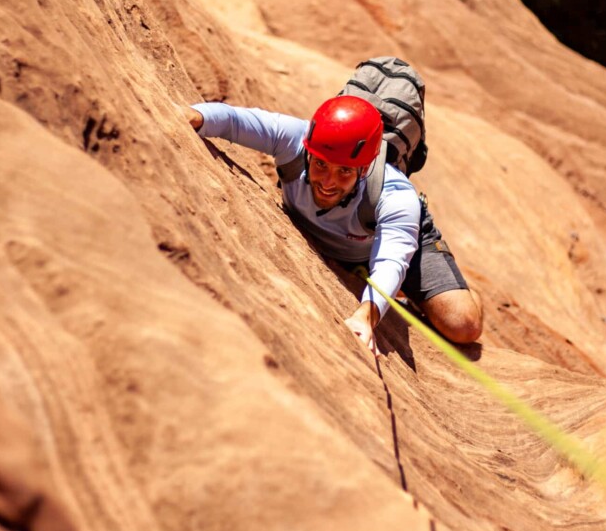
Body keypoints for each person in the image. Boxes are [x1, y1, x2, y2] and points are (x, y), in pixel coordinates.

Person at [183, 95, 482, 354]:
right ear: (309, 150)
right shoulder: (294, 140)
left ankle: (455, 287)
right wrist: (193, 116)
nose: (327, 182)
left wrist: (367, 314)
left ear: (364, 169)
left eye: (344, 172)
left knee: (462, 325)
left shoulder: (396, 196)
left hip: (391, 243)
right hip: (352, 242)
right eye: (321, 164)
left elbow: (391, 260)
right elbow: (233, 120)